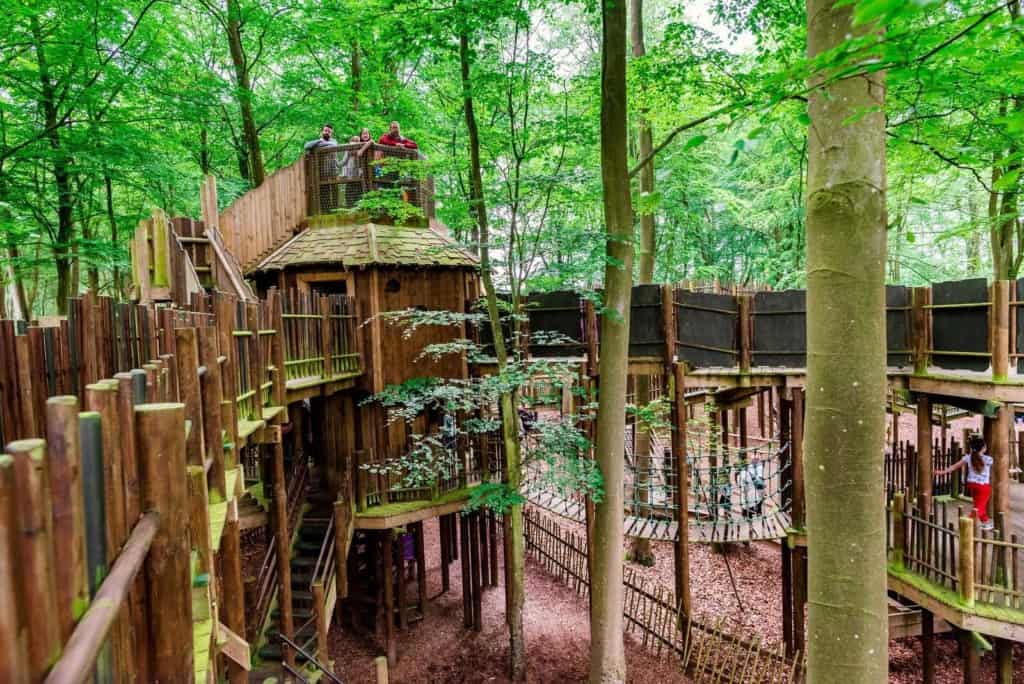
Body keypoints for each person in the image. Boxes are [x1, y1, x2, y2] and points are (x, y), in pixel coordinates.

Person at [936, 434, 994, 531]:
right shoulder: (988, 459)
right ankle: (964, 525)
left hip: (971, 485)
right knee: (978, 508)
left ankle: (985, 523)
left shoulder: (968, 457)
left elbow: (954, 466)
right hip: (983, 487)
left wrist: (942, 472)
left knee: (979, 505)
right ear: (983, 448)